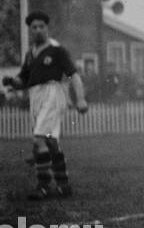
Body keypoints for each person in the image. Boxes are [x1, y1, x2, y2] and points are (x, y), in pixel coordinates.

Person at [1, 11, 89, 199]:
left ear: (47, 28)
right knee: (51, 142)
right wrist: (11, 81)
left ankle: (43, 186)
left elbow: (74, 75)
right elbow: (23, 80)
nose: (38, 30)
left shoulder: (57, 50)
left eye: (42, 26)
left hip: (52, 94)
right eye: (34, 27)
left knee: (39, 140)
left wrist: (80, 98)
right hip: (36, 97)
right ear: (30, 30)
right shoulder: (30, 54)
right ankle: (64, 185)